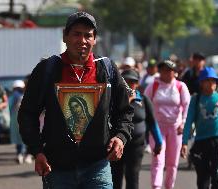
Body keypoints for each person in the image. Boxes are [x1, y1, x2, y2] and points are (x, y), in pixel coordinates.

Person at [18, 11, 133, 189]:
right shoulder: (46, 70)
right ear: (65, 36)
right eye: (76, 34)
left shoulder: (108, 69)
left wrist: (120, 137)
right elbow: (27, 114)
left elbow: (124, 111)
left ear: (95, 40)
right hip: (57, 169)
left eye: (88, 35)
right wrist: (37, 151)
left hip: (98, 168)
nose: (82, 40)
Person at [181, 67, 218, 189]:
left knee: (217, 178)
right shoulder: (196, 98)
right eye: (207, 80)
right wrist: (184, 142)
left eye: (213, 80)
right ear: (201, 83)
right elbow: (189, 121)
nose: (211, 83)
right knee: (202, 180)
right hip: (201, 142)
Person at [111, 69, 162, 189]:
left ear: (137, 83)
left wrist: (158, 142)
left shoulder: (144, 100)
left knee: (132, 177)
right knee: (115, 178)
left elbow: (153, 123)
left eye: (132, 81)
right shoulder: (113, 99)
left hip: (136, 146)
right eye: (126, 81)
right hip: (116, 145)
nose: (129, 84)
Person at [144, 60, 191, 189]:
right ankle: (156, 186)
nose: (165, 73)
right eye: (163, 70)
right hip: (157, 129)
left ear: (174, 72)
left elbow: (187, 106)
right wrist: (147, 122)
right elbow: (145, 103)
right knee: (158, 160)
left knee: (172, 163)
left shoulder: (180, 87)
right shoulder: (153, 85)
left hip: (175, 129)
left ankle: (169, 186)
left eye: (168, 70)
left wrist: (184, 123)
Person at [9, 80, 33, 164]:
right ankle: (27, 155)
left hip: (16, 120)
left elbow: (10, 109)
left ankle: (20, 154)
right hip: (26, 120)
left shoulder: (12, 96)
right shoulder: (28, 95)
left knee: (18, 138)